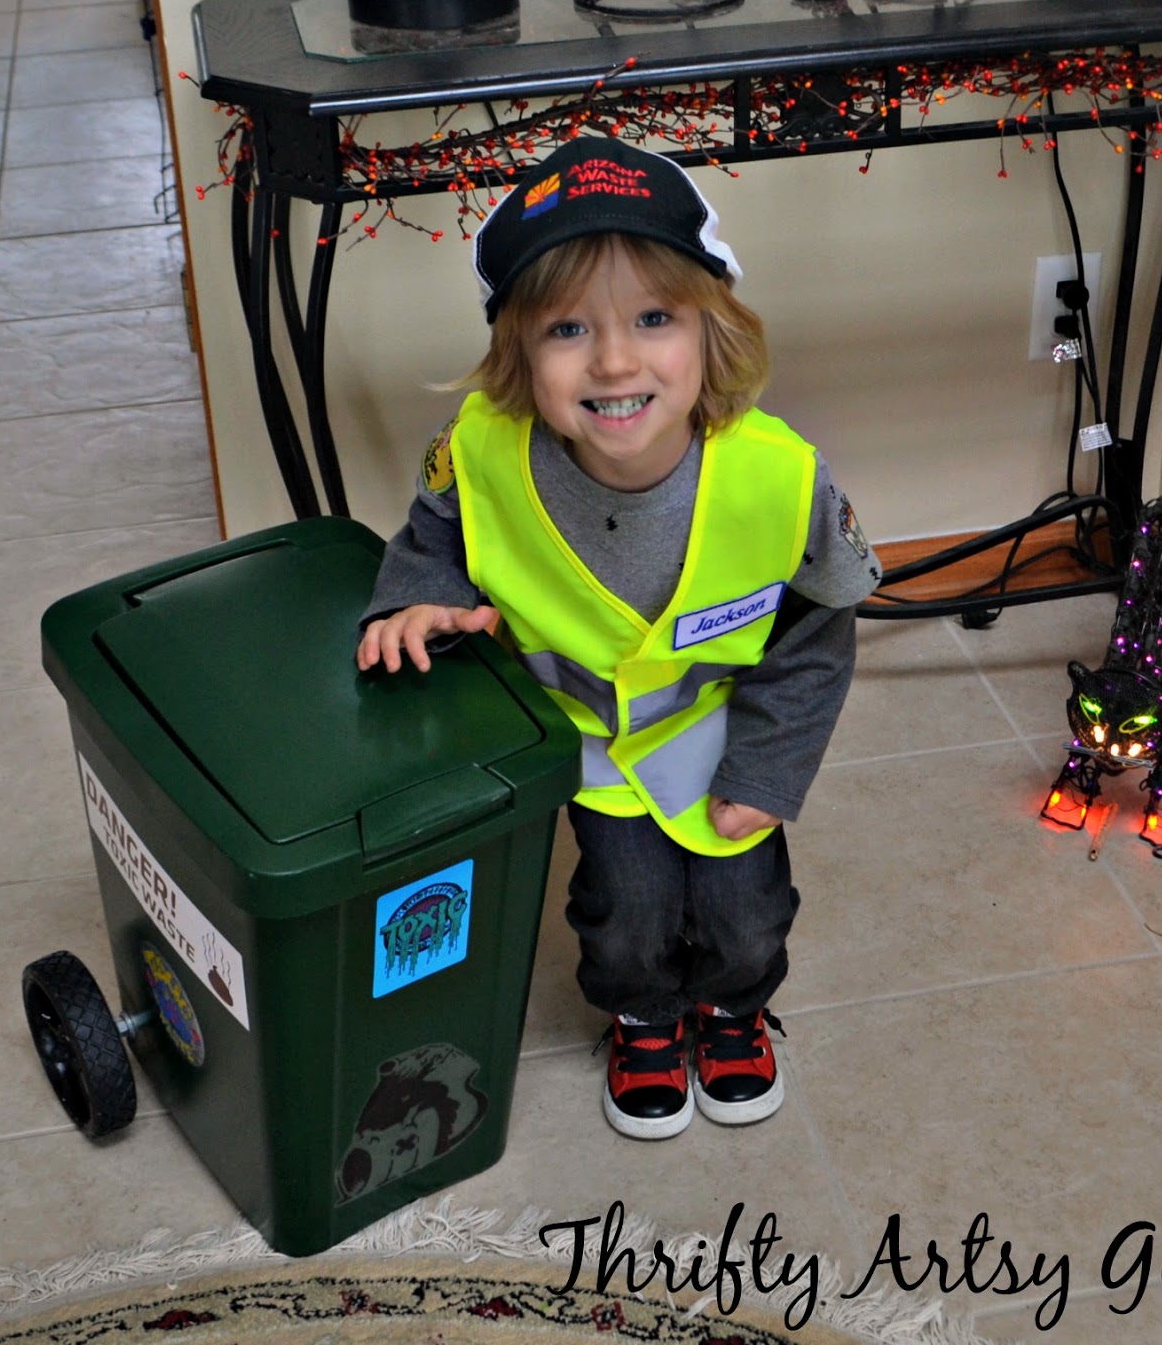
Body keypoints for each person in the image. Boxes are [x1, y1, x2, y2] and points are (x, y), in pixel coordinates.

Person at [357, 137, 879, 1141]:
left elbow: (813, 635)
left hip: (719, 730)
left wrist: (768, 770)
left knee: (742, 903)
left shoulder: (777, 478)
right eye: (565, 328)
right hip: (585, 738)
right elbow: (431, 538)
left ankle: (732, 1007)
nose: (612, 360)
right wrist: (411, 601)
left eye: (652, 318)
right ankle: (640, 1016)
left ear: (711, 328)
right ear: (516, 353)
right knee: (623, 904)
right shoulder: (483, 454)